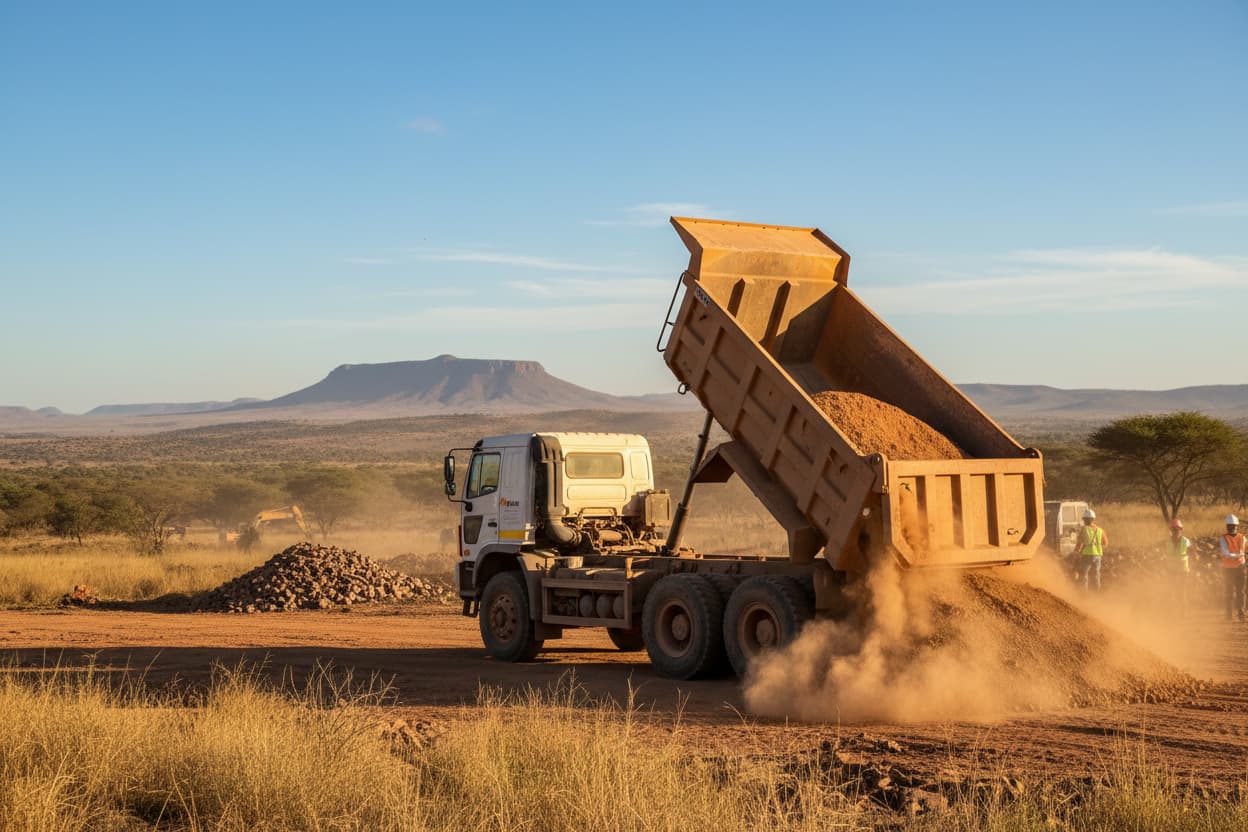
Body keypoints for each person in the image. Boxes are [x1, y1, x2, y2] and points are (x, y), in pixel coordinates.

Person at [1219, 514, 1247, 622]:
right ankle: (1229, 616)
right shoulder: (1223, 538)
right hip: (1228, 569)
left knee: (1241, 592)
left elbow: (1243, 550)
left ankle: (1241, 615)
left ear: (1237, 526)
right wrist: (1239, 555)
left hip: (1240, 568)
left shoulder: (1242, 537)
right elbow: (1226, 553)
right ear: (1227, 527)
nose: (1232, 528)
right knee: (1229, 592)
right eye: (1230, 526)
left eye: (1233, 526)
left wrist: (1238, 555)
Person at [1076, 508, 1107, 591]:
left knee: (1084, 574)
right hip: (1098, 555)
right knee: (1096, 574)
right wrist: (1097, 545)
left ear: (1085, 519)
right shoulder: (1100, 530)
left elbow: (1079, 542)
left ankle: (1084, 592)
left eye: (1084, 519)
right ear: (1093, 519)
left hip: (1087, 555)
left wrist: (1077, 552)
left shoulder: (1084, 529)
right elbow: (1105, 543)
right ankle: (1097, 592)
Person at [1166, 518, 1191, 616]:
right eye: (1173, 529)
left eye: (1177, 529)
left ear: (1181, 530)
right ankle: (1172, 612)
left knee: (1181, 591)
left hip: (1183, 570)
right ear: (1171, 531)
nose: (1175, 531)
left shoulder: (1186, 541)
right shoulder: (1167, 541)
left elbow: (1192, 552)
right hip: (1171, 570)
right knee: (1172, 591)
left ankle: (1183, 612)